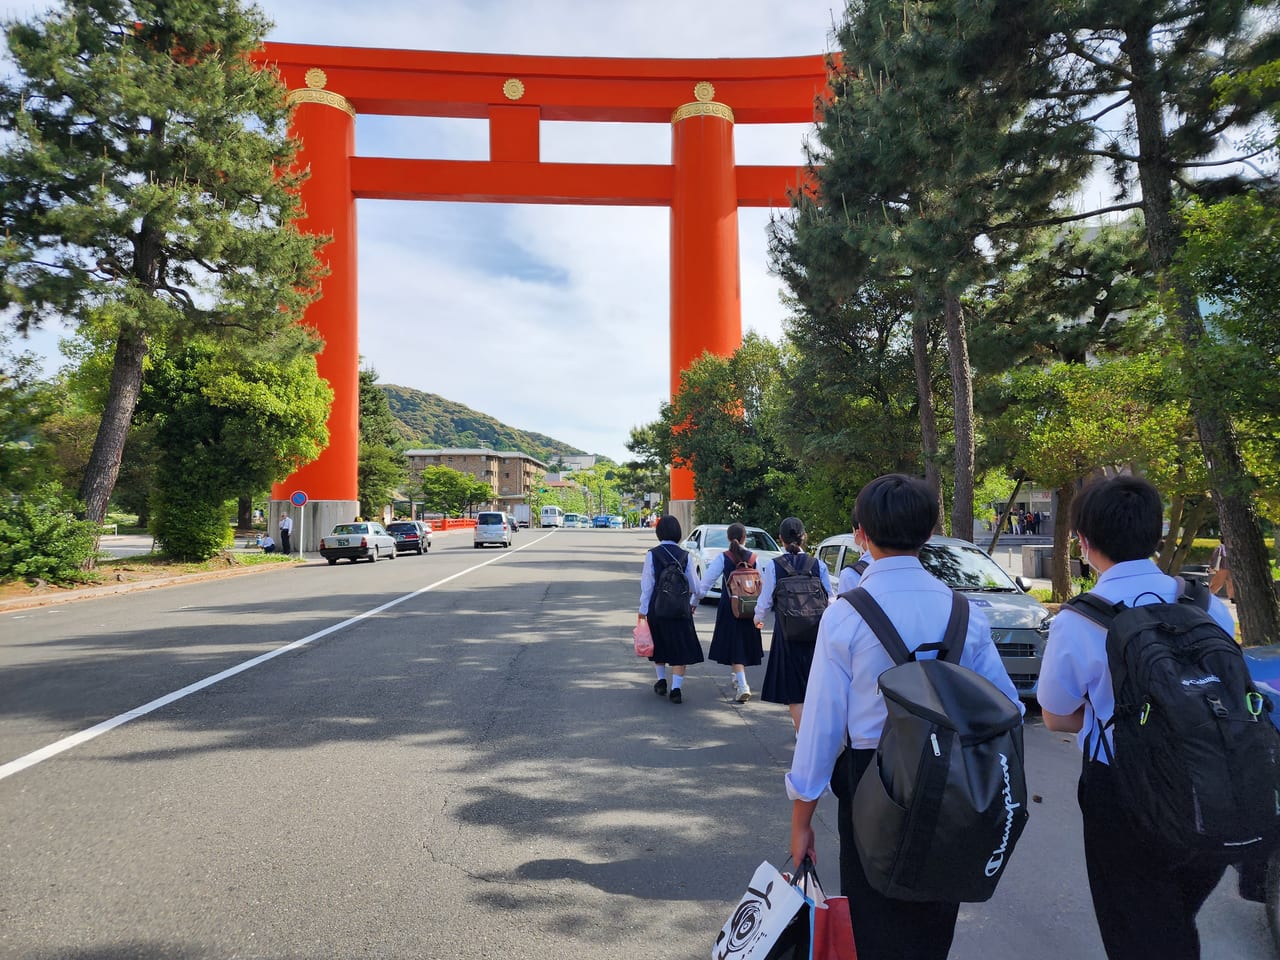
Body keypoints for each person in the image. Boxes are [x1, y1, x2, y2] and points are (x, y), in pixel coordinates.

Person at [787, 474, 1022, 960]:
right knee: (934, 925)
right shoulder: (963, 611)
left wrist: (801, 820)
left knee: (875, 924)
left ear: (861, 534)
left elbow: (821, 730)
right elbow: (1010, 709)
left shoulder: (847, 614)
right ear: (930, 534)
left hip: (873, 780)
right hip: (953, 783)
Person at [1037, 475, 1236, 960]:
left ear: (1083, 542)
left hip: (1123, 792)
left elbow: (1056, 717)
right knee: (1173, 921)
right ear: (1156, 534)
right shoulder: (1211, 607)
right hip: (1210, 784)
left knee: (1138, 932)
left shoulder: (1079, 619)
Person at [756, 516, 834, 733]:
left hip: (787, 633)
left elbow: (766, 600)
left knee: (794, 691)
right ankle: (810, 734)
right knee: (813, 687)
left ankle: (802, 736)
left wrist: (757, 618)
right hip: (815, 633)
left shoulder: (774, 566)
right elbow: (831, 599)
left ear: (780, 539)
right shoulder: (817, 565)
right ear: (804, 537)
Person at [637, 515, 703, 704]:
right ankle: (676, 689)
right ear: (678, 533)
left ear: (659, 533)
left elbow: (647, 585)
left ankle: (661, 681)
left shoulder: (653, 554)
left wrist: (643, 610)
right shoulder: (685, 556)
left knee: (659, 644)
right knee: (679, 647)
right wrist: (692, 602)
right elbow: (696, 587)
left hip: (658, 608)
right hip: (681, 609)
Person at [695, 522, 764, 703]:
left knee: (735, 646)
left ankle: (742, 685)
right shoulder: (754, 558)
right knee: (742, 644)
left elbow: (706, 583)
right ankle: (737, 678)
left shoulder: (723, 558)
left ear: (728, 538)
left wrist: (694, 601)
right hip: (750, 606)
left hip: (729, 607)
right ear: (744, 538)